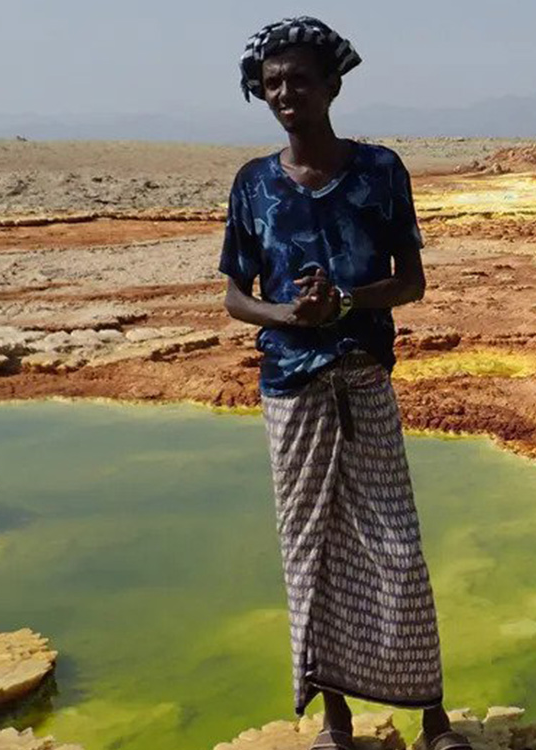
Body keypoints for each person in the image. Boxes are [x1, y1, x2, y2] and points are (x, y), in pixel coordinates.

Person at [218, 17, 465, 750]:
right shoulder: (253, 184)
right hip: (290, 387)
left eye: (299, 78)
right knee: (308, 548)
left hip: (361, 378)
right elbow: (236, 296)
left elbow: (410, 281)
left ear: (331, 83)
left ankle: (433, 717)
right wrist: (289, 312)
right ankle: (335, 720)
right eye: (272, 83)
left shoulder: (380, 171)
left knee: (394, 544)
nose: (286, 92)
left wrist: (350, 302)